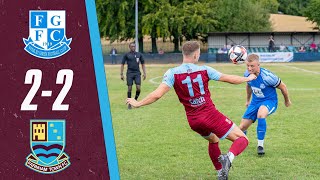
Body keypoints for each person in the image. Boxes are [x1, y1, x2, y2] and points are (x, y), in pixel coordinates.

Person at [126, 41, 257, 179]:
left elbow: (157, 94)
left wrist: (138, 103)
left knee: (213, 139)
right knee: (243, 139)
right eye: (199, 53)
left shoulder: (172, 73)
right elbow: (229, 78)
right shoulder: (205, 69)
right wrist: (247, 78)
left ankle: (220, 172)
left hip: (193, 120)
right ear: (195, 55)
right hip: (209, 114)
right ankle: (228, 159)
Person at [239, 54, 291, 156]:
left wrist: (287, 100)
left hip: (269, 101)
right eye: (248, 66)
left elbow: (283, 87)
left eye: (252, 66)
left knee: (261, 114)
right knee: (242, 127)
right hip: (255, 102)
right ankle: (242, 144)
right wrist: (247, 100)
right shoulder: (247, 74)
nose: (249, 68)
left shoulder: (268, 76)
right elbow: (248, 86)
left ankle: (260, 146)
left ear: (258, 64)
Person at [121, 42, 146, 109]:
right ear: (129, 47)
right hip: (129, 73)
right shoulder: (126, 55)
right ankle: (129, 103)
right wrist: (121, 74)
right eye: (132, 46)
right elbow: (122, 64)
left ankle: (135, 100)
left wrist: (144, 73)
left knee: (138, 88)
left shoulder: (139, 54)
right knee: (129, 88)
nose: (133, 47)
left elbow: (143, 63)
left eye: (134, 46)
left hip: (137, 73)